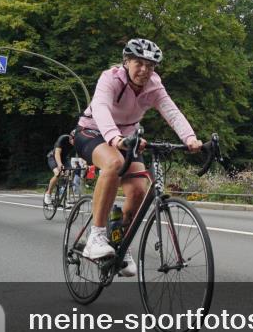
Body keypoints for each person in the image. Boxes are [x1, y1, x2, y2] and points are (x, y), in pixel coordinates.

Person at [75, 38, 202, 276]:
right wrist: (114, 138)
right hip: (93, 131)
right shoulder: (110, 78)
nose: (144, 70)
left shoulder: (154, 85)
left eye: (151, 66)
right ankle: (97, 235)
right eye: (139, 63)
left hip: (127, 138)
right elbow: (101, 107)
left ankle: (118, 241)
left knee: (138, 191)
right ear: (126, 62)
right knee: (114, 162)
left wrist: (190, 138)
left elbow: (171, 112)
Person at [44, 131, 76, 205]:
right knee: (58, 174)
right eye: (75, 140)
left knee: (70, 175)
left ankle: (64, 198)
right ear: (70, 138)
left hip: (65, 159)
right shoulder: (63, 138)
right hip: (53, 157)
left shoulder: (78, 143)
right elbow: (57, 153)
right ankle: (48, 194)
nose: (76, 143)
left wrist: (86, 164)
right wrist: (59, 164)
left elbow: (82, 154)